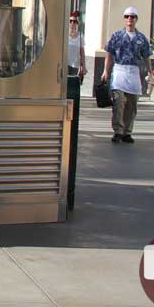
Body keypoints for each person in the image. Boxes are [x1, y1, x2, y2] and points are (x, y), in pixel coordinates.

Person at [101, 6, 151, 144]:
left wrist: (150, 73)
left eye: (133, 16)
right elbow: (109, 53)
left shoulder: (141, 38)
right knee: (119, 102)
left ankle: (127, 132)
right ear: (124, 19)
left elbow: (146, 56)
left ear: (136, 19)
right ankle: (118, 130)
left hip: (134, 72)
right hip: (120, 71)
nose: (130, 19)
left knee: (132, 104)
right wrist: (106, 70)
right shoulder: (117, 36)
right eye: (127, 16)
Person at [66, 11, 88, 210]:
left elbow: (81, 52)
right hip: (64, 67)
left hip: (74, 68)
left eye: (75, 22)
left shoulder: (80, 36)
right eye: (70, 21)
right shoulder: (64, 33)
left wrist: (84, 66)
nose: (72, 24)